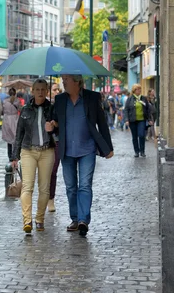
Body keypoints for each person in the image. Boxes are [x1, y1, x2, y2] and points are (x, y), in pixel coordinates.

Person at [48, 74, 114, 237]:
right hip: (67, 149)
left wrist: (108, 147)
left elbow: (102, 123)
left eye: (66, 81)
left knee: (84, 185)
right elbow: (55, 121)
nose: (63, 83)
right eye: (63, 81)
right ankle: (75, 218)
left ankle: (83, 219)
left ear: (77, 82)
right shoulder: (60, 100)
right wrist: (52, 124)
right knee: (71, 187)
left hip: (87, 148)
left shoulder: (92, 98)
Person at [11, 79, 55, 233]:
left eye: (43, 89)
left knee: (44, 189)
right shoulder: (26, 110)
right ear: (33, 91)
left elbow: (59, 132)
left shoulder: (52, 109)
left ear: (47, 90)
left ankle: (40, 219)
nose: (40, 92)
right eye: (37, 89)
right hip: (28, 150)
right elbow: (19, 134)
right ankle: (27, 220)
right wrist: (14, 157)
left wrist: (54, 127)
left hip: (47, 151)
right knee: (27, 187)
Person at [125, 84, 151, 158]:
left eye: (140, 89)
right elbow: (126, 109)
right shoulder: (130, 99)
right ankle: (136, 151)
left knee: (141, 135)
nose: (139, 90)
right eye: (138, 89)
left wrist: (149, 119)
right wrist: (127, 119)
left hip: (141, 120)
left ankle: (142, 151)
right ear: (134, 90)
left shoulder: (143, 98)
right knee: (134, 137)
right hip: (132, 120)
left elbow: (148, 109)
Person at [48, 83, 63, 213]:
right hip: (44, 142)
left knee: (53, 171)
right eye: (54, 89)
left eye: (58, 89)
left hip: (57, 140)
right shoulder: (44, 106)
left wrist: (57, 124)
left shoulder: (62, 105)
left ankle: (51, 198)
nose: (56, 91)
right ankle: (45, 197)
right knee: (45, 173)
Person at [2, 88, 20, 162]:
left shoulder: (4, 101)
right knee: (16, 137)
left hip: (6, 119)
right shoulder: (17, 101)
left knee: (9, 138)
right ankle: (15, 154)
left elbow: (2, 111)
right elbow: (20, 109)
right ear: (15, 93)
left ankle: (9, 155)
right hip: (15, 118)